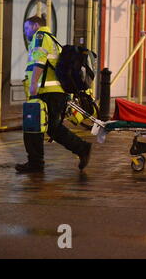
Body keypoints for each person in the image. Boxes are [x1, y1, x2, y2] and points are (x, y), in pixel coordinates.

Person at [16, 15, 92, 173]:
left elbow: (39, 62)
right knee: (52, 128)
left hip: (46, 92)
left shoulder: (41, 36)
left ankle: (36, 162)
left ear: (36, 25)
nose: (25, 32)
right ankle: (81, 148)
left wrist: (33, 86)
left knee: (33, 126)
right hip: (55, 92)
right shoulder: (53, 39)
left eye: (26, 28)